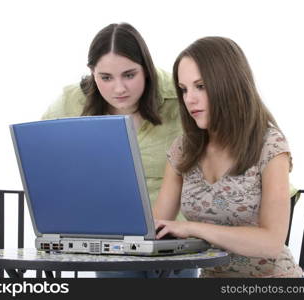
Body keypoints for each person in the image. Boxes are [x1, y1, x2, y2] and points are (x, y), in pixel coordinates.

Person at [41, 22, 196, 278]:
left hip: (175, 236)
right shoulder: (71, 101)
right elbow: (43, 160)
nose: (119, 88)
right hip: (108, 236)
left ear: (146, 69)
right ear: (92, 73)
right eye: (106, 78)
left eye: (129, 75)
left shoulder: (180, 94)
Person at [153, 36, 304, 277]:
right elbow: (157, 226)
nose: (189, 99)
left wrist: (192, 228)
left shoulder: (270, 144)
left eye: (200, 86)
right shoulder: (183, 148)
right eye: (183, 89)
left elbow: (271, 242)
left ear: (230, 84)